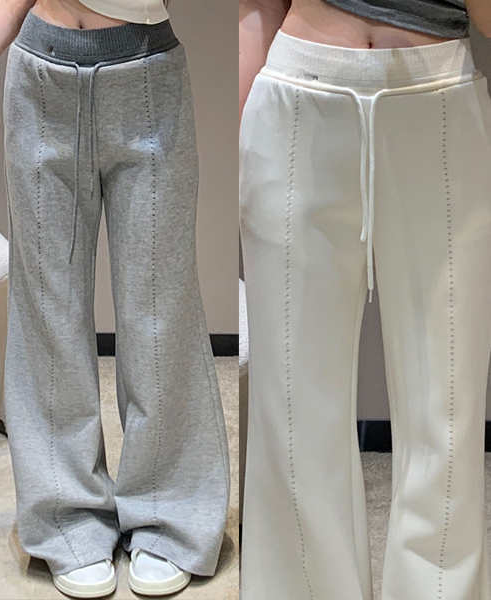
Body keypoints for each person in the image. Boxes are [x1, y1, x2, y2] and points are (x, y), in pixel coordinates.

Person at [239, 1, 491, 599]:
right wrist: (242, 145)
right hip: (297, 93)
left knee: (447, 413)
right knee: (292, 414)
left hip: (438, 99)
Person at [0, 0, 231, 597]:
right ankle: (65, 518)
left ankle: (170, 515)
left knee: (161, 310)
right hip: (39, 72)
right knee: (47, 308)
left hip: (146, 70)